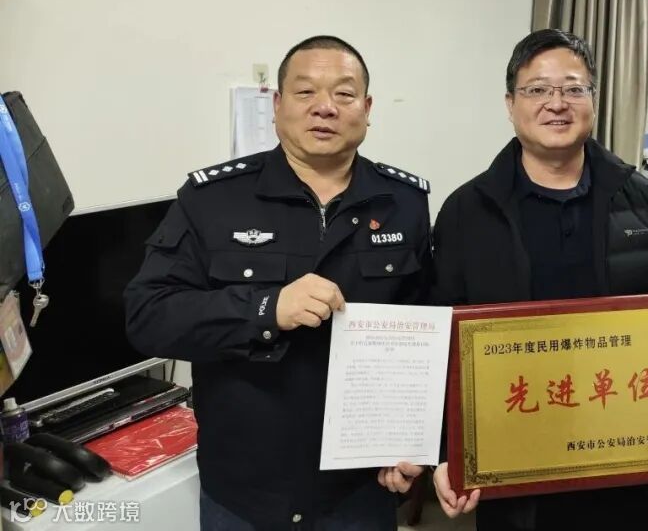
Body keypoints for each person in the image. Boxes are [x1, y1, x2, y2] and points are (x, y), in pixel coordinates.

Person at [125, 35, 432, 530]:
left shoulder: (404, 203)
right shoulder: (213, 199)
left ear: (368, 108)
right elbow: (148, 316)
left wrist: (414, 443)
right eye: (306, 92)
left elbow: (425, 339)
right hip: (245, 490)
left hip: (358, 488)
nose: (325, 107)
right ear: (277, 105)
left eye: (345, 94)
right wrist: (265, 309)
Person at [429, 28, 648, 531]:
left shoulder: (640, 199)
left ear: (593, 100)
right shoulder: (466, 212)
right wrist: (443, 450)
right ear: (510, 104)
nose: (556, 103)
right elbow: (440, 339)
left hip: (624, 464)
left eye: (573, 88)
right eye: (538, 89)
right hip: (514, 474)